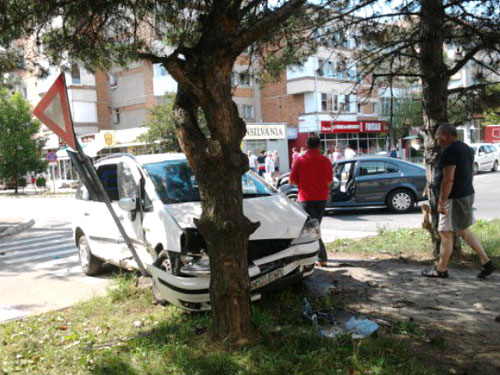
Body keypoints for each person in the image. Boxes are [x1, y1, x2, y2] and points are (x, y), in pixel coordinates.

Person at [422, 124, 495, 278]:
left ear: (444, 135)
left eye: (437, 136)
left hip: (453, 198)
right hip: (466, 193)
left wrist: (441, 202)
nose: (436, 139)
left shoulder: (450, 151)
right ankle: (486, 263)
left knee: (445, 233)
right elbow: (470, 174)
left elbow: (448, 179)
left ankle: (441, 270)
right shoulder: (466, 148)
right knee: (462, 230)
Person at [290, 135, 333, 267]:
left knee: (312, 230)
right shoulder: (325, 160)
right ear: (319, 145)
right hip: (322, 198)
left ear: (307, 145)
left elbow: (291, 181)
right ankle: (318, 257)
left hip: (306, 199)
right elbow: (330, 181)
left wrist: (302, 182)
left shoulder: (300, 160)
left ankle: (321, 257)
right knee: (315, 228)